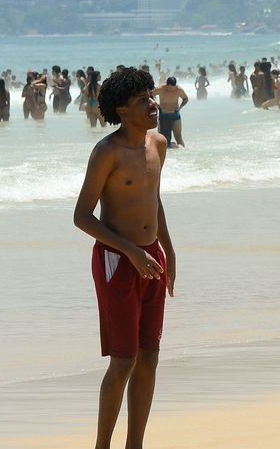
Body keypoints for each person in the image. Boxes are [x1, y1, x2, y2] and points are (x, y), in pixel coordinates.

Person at [72, 67, 176, 449]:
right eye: (142, 101)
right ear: (122, 110)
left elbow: (153, 198)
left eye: (151, 96)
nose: (152, 104)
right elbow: (82, 216)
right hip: (118, 260)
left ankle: (136, 444)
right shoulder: (106, 152)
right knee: (123, 360)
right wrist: (131, 252)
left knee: (150, 356)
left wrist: (168, 248)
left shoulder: (158, 144)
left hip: (152, 258)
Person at [152, 78, 188, 148]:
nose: (170, 90)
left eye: (172, 88)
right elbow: (150, 95)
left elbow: (185, 99)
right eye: (169, 88)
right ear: (166, 84)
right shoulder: (160, 89)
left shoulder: (179, 89)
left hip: (175, 114)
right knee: (162, 139)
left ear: (175, 85)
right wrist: (156, 104)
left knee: (178, 137)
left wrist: (180, 107)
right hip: (163, 115)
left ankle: (184, 154)